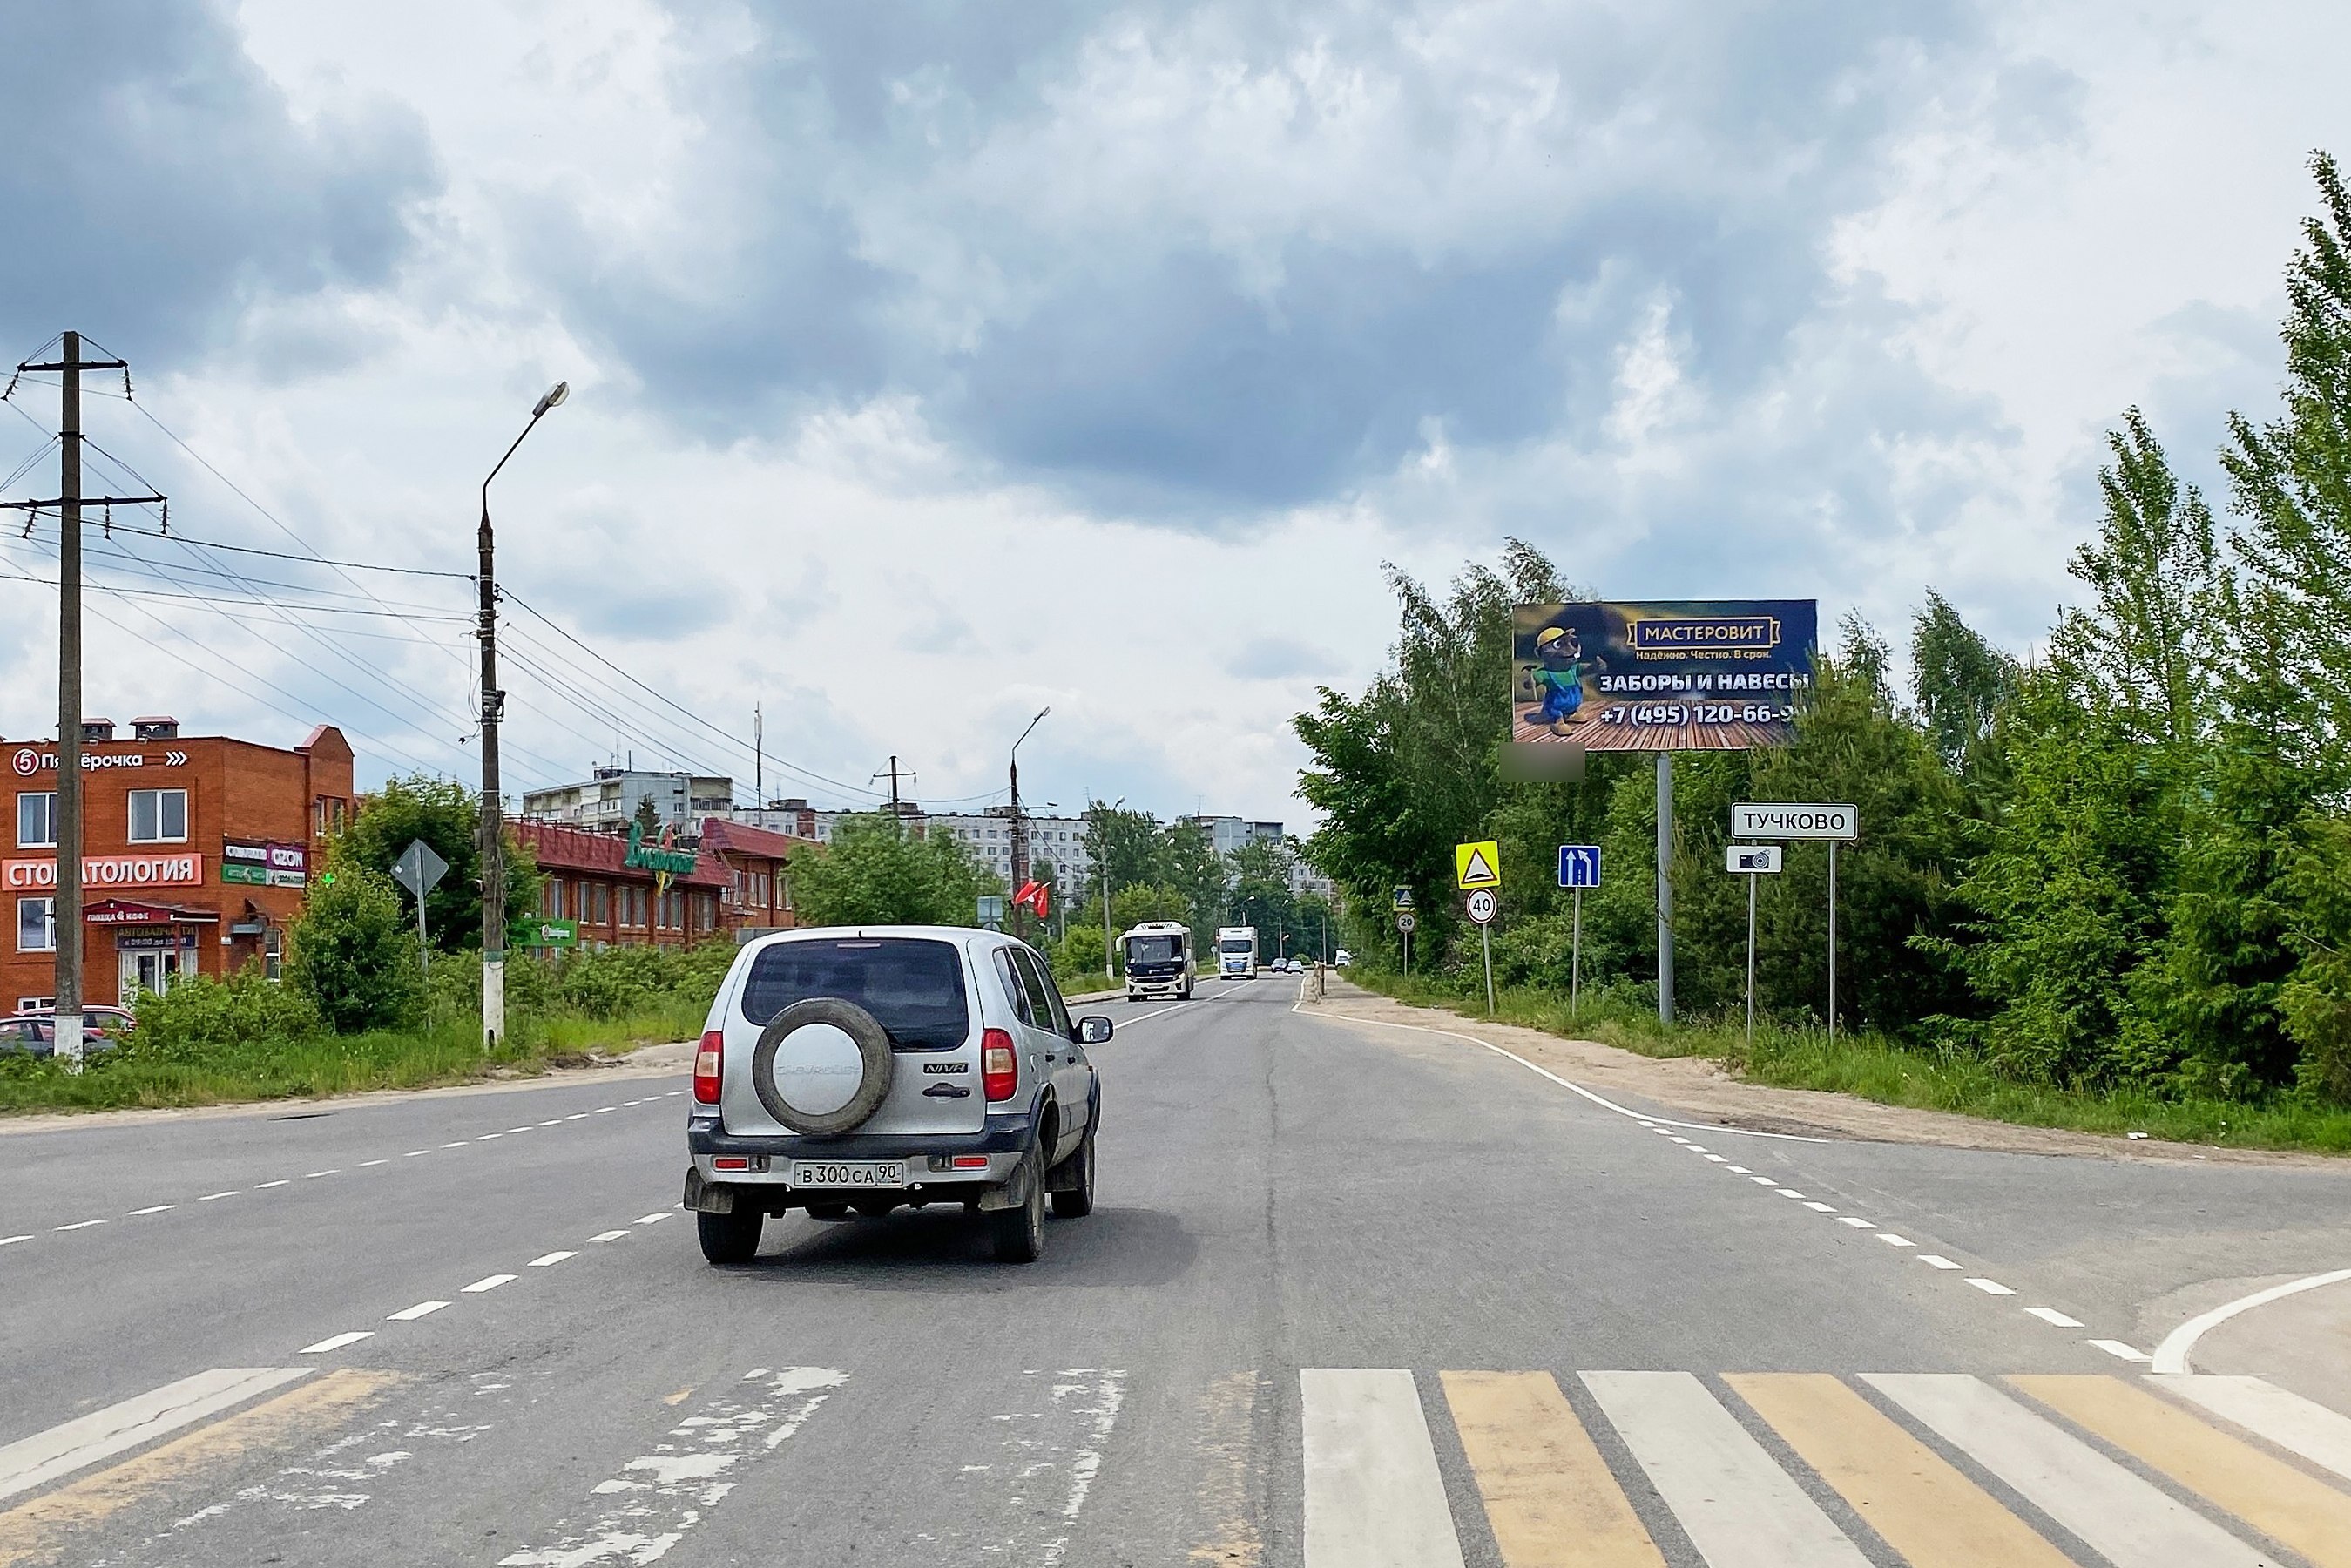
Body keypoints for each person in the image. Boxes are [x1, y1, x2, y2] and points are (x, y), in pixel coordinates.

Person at [1530, 625, 1588, 732]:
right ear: (1539, 653)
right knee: (1555, 711)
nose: (1571, 647)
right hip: (1555, 707)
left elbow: (1585, 668)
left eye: (1571, 642)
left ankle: (1571, 714)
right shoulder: (1547, 673)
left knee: (1580, 716)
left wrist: (1596, 666)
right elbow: (1536, 678)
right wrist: (1532, 682)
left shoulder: (1572, 669)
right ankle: (1558, 721)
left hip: (1573, 704)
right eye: (1558, 644)